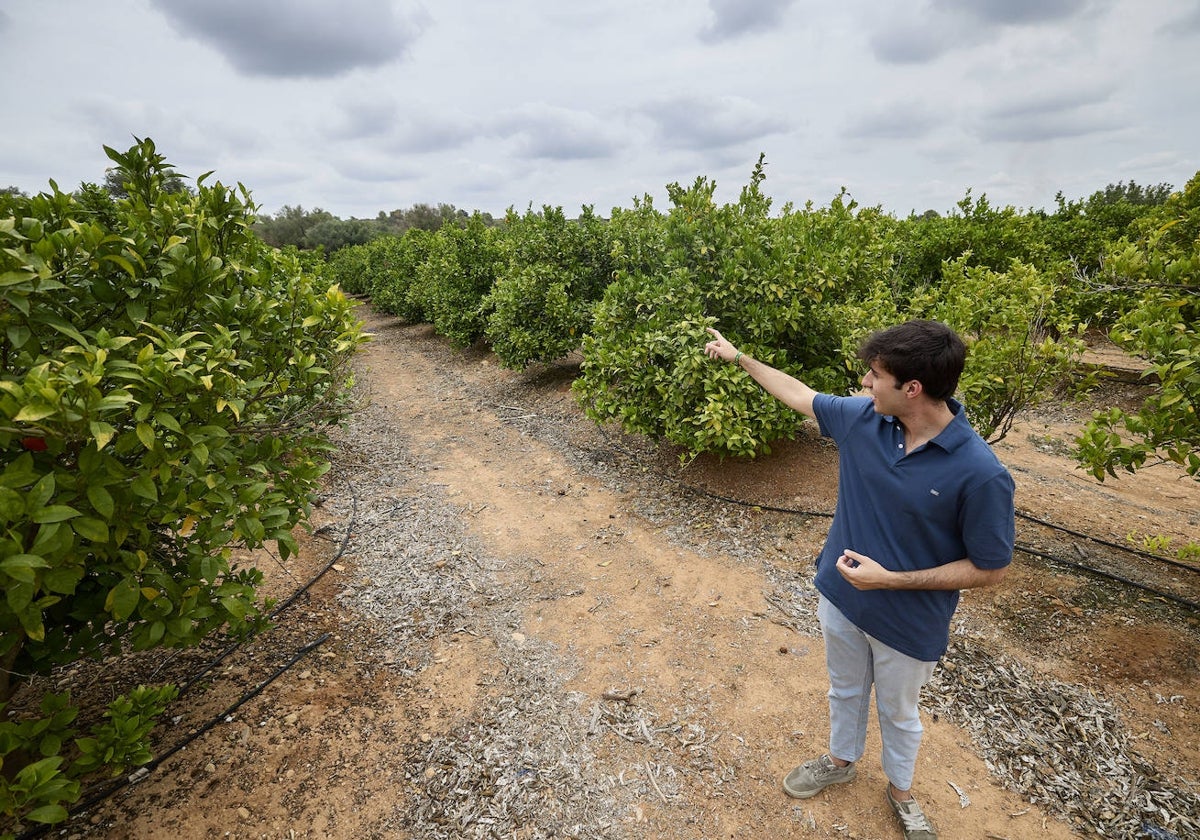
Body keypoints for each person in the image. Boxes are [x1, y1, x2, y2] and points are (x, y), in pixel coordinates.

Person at [703, 320, 1014, 840]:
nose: (865, 384)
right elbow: (801, 396)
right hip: (841, 598)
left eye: (874, 375)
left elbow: (991, 568)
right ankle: (841, 760)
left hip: (909, 621)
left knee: (899, 712)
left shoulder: (980, 472)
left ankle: (901, 792)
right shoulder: (864, 421)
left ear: (911, 388)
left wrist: (892, 580)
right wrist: (740, 358)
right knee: (844, 690)